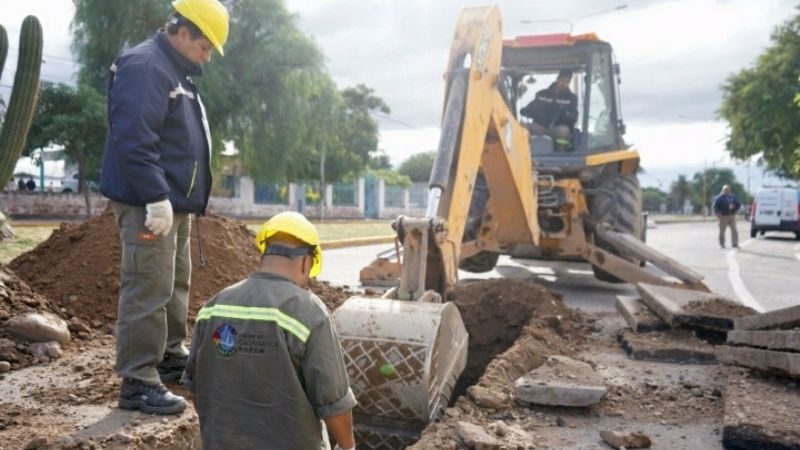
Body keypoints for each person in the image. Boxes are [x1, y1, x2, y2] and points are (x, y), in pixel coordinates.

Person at [98, 0, 229, 415]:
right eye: (206, 46)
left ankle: (171, 354)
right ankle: (137, 380)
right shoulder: (146, 67)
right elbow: (134, 138)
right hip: (148, 203)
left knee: (175, 282)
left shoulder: (176, 71)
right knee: (148, 287)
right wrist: (155, 196)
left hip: (173, 203)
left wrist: (173, 200)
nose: (207, 57)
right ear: (183, 31)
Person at [183, 212, 357, 450]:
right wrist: (348, 448)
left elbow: (196, 387)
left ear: (262, 257)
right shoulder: (309, 312)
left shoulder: (214, 307)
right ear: (306, 262)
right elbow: (334, 402)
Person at [520, 68, 579, 151]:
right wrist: (526, 111)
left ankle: (561, 156)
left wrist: (566, 116)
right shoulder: (542, 94)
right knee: (521, 126)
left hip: (557, 128)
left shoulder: (571, 98)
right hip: (539, 126)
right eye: (562, 80)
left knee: (564, 131)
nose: (564, 83)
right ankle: (524, 153)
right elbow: (531, 108)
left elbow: (574, 117)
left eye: (567, 81)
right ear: (557, 79)